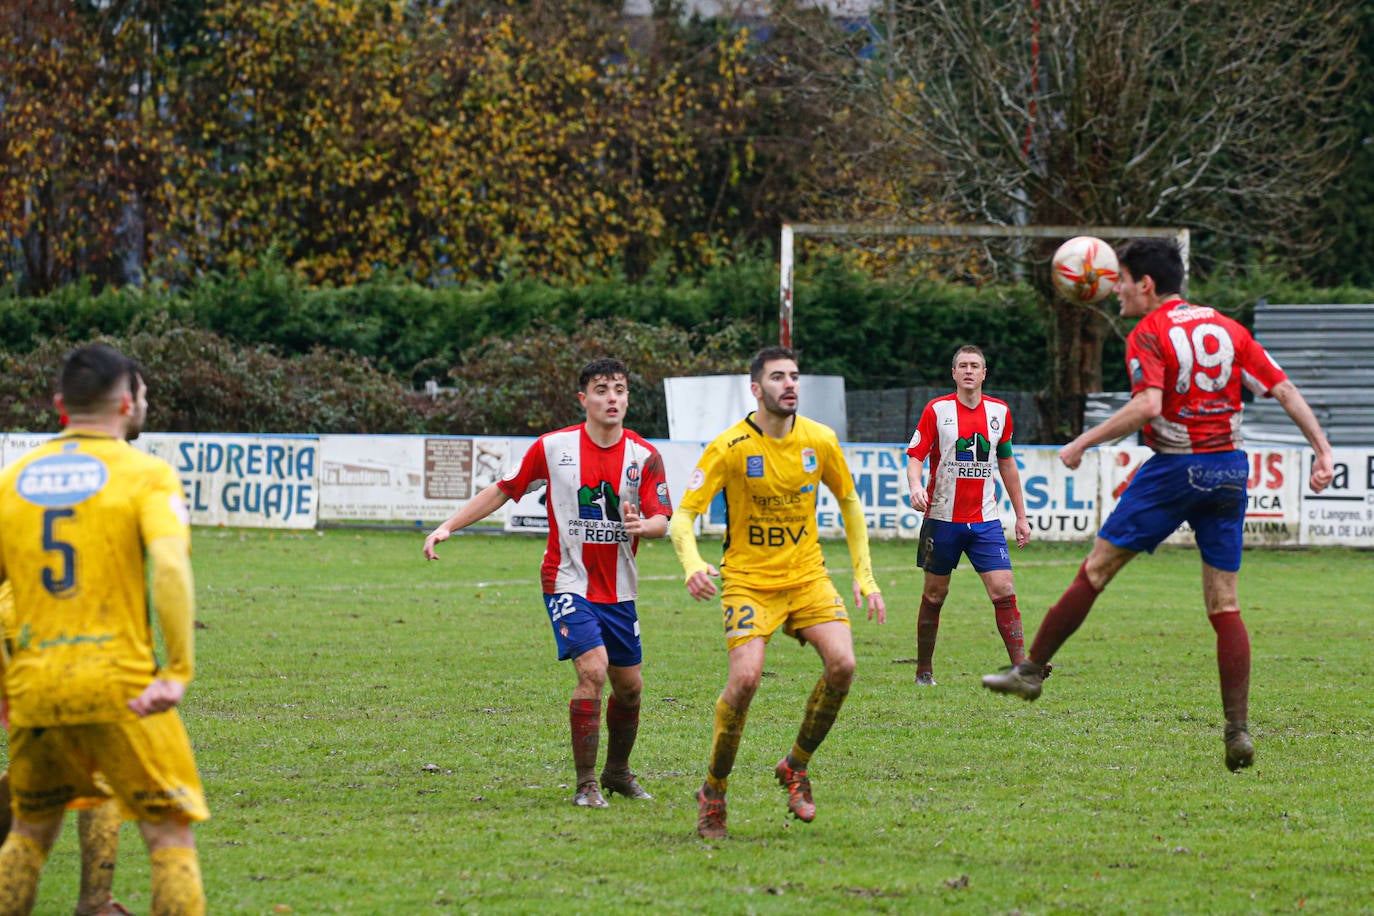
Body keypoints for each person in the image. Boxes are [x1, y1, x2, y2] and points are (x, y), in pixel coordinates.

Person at [982, 238, 1336, 772]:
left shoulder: (1149, 333)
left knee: (1096, 570)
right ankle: (1237, 729)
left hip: (1174, 468)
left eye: (1121, 279)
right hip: (1228, 471)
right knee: (1225, 604)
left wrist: (1082, 442)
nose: (1116, 288)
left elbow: (1149, 404)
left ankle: (1030, 672)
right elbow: (1282, 389)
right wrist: (1323, 450)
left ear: (1145, 285)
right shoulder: (1228, 326)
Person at [0, 344, 207, 914]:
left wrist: (5, 683)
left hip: (37, 687)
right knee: (169, 834)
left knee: (28, 833)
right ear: (125, 402)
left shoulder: (12, 479)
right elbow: (169, 568)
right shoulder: (146, 474)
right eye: (142, 393)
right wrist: (178, 670)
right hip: (124, 687)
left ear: (60, 404)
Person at [423, 358, 673, 808]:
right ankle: (585, 784)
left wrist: (644, 526)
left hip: (619, 591)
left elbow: (662, 520)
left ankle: (616, 772)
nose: (612, 397)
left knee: (630, 687)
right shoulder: (554, 447)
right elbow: (504, 488)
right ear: (584, 399)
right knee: (592, 671)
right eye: (601, 389)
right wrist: (448, 526)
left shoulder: (644, 456)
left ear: (628, 397)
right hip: (566, 581)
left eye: (619, 389)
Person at [671, 346, 886, 840]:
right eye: (777, 377)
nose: (789, 384)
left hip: (807, 577)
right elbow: (684, 516)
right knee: (745, 680)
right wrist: (691, 563)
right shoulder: (730, 447)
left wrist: (864, 575)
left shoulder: (820, 439)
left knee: (844, 665)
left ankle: (795, 766)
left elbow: (850, 502)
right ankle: (713, 792)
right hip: (748, 581)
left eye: (794, 376)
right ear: (756, 388)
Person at [905, 345, 1032, 686]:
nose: (969, 371)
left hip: (985, 522)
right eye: (963, 366)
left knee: (1004, 589)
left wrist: (1021, 516)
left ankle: (1022, 669)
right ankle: (923, 670)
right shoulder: (937, 410)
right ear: (954, 373)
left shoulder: (1000, 412)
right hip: (941, 520)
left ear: (984, 373)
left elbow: (1006, 463)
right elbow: (915, 455)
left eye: (975, 366)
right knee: (934, 595)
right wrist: (915, 486)